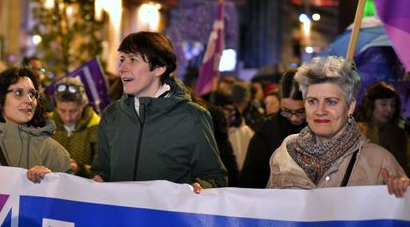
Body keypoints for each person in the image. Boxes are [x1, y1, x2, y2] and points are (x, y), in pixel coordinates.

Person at [90, 31, 228, 193]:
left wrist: (202, 187)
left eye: (133, 60)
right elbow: (101, 170)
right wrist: (98, 178)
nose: (122, 68)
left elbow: (215, 177)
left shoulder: (192, 116)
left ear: (159, 68)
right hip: (120, 216)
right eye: (122, 60)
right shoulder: (111, 114)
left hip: (166, 217)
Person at [267, 56, 409, 198]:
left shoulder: (379, 162)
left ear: (350, 107)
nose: (320, 110)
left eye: (331, 102)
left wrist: (403, 192)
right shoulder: (284, 155)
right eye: (312, 101)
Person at [0, 67, 72, 183]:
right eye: (18, 93)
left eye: (31, 94)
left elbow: (69, 197)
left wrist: (51, 181)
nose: (28, 100)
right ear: (0, 100)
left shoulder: (55, 153)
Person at [240, 69, 307, 188]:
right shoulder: (267, 129)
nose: (294, 118)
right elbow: (250, 178)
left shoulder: (319, 127)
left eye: (300, 111)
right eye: (286, 111)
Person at [355, 82, 410, 175]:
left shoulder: (400, 135)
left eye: (392, 105)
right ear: (370, 105)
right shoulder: (356, 131)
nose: (389, 109)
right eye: (384, 104)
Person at [50, 77, 100, 177]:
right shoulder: (46, 125)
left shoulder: (97, 127)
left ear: (83, 105)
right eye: (62, 110)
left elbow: (103, 170)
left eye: (73, 111)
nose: (67, 117)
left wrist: (80, 169)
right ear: (56, 106)